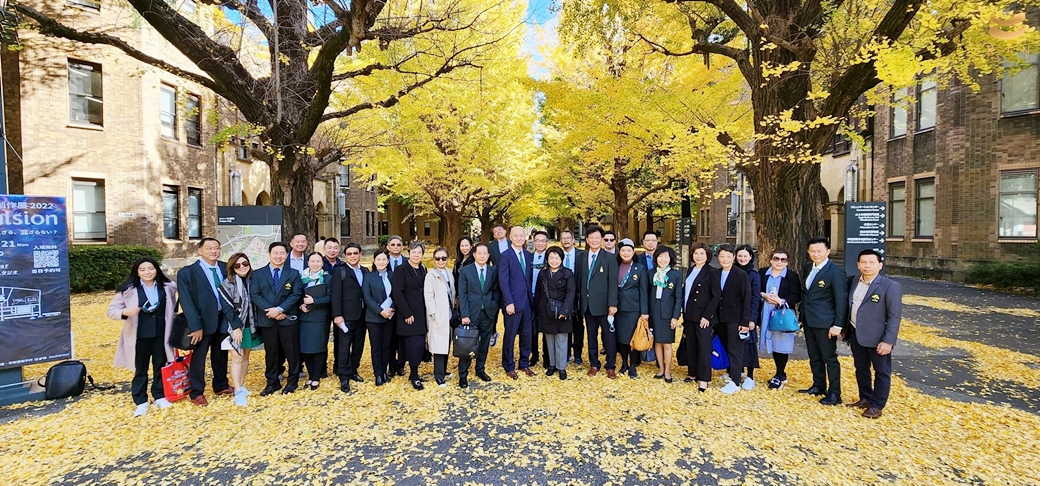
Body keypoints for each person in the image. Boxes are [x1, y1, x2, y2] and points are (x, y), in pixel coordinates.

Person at [108, 257, 178, 416]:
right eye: (143, 269)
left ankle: (159, 395)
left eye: (151, 268)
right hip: (139, 335)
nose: (147, 272)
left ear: (156, 270)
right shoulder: (128, 290)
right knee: (140, 368)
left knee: (161, 366)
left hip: (161, 334)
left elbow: (172, 308)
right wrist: (125, 312)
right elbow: (111, 311)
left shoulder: (168, 287)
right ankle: (141, 400)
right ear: (137, 272)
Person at [845, 249, 902, 419]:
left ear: (880, 265)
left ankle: (877, 405)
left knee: (881, 371)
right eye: (863, 262)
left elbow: (894, 316)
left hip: (878, 338)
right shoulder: (853, 281)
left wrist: (888, 341)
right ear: (858, 264)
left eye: (871, 262)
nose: (867, 266)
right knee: (861, 368)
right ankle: (865, 398)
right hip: (856, 333)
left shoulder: (890, 286)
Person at [176, 238, 231, 406]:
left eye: (216, 248)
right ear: (199, 251)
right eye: (209, 248)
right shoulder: (188, 272)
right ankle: (196, 392)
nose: (213, 251)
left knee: (220, 354)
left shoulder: (225, 268)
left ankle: (220, 385)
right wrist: (196, 326)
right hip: (202, 321)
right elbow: (186, 301)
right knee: (199, 357)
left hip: (223, 318)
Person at [798, 237, 849, 406]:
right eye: (812, 251)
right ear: (808, 252)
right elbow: (807, 294)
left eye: (819, 251)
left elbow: (841, 300)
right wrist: (802, 316)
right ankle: (819, 385)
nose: (816, 254)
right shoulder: (808, 267)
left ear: (828, 251)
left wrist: (838, 325)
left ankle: (835, 393)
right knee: (814, 356)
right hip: (809, 320)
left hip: (826, 323)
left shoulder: (836, 272)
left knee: (829, 358)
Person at [251, 242, 304, 396]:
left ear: (286, 255)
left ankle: (292, 382)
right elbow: (255, 295)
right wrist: (272, 311)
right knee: (271, 353)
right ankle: (272, 382)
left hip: (288, 318)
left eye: (282, 253)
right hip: (268, 319)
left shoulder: (293, 274)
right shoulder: (258, 274)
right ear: (269, 254)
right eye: (275, 253)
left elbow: (295, 294)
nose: (278, 256)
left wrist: (280, 309)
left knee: (292, 352)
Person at [218, 252, 263, 407]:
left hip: (250, 324)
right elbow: (227, 308)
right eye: (237, 265)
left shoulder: (253, 281)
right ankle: (237, 391)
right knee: (237, 357)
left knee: (245, 356)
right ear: (232, 267)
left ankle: (241, 385)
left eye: (245, 264)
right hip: (234, 326)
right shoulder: (227, 284)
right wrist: (236, 328)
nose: (242, 267)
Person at [576, 225, 619, 378]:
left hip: (605, 305)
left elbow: (613, 283)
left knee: (609, 337)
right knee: (591, 336)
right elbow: (578, 280)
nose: (594, 240)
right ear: (587, 240)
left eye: (597, 238)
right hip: (588, 305)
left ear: (601, 240)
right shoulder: (581, 257)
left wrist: (612, 304)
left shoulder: (609, 258)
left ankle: (610, 366)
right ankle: (594, 364)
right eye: (591, 238)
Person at [457, 243, 501, 386]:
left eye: (485, 253)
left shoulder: (492, 271)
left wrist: (494, 306)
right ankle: (463, 374)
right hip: (470, 313)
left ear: (488, 255)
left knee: (484, 343)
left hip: (487, 313)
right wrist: (464, 314)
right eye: (479, 253)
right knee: (467, 344)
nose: (482, 256)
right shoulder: (466, 271)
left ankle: (480, 369)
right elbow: (462, 294)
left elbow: (496, 291)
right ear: (474, 254)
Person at [758, 248, 802, 390]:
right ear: (771, 260)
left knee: (781, 344)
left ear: (787, 262)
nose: (779, 262)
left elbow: (796, 295)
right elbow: (755, 289)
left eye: (783, 259)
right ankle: (780, 374)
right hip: (765, 313)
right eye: (776, 258)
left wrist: (781, 301)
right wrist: (763, 295)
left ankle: (779, 374)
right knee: (771, 341)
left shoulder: (792, 276)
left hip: (782, 315)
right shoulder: (762, 273)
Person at [682, 242, 721, 391]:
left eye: (702, 253)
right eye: (696, 253)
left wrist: (707, 316)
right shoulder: (691, 270)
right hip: (689, 314)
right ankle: (693, 373)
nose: (698, 256)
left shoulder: (712, 272)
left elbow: (715, 296)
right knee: (691, 344)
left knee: (704, 347)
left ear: (707, 255)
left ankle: (704, 379)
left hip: (703, 316)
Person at [498, 225, 535, 379]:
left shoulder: (528, 255)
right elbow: (503, 281)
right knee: (511, 335)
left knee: (527, 334)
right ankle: (508, 365)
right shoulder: (505, 256)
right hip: (512, 302)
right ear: (510, 237)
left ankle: (524, 363)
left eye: (521, 236)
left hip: (527, 302)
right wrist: (508, 302)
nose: (519, 238)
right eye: (516, 236)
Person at [391, 241, 429, 390]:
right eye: (413, 252)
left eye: (419, 252)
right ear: (408, 253)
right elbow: (397, 292)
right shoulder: (401, 269)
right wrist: (407, 312)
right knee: (414, 345)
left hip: (421, 313)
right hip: (408, 314)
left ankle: (415, 372)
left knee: (419, 345)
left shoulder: (423, 269)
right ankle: (414, 374)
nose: (416, 255)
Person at [715, 244, 752, 395]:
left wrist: (745, 322)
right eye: (722, 256)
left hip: (736, 319)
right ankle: (731, 374)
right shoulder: (716, 273)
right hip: (720, 318)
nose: (725, 259)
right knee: (726, 346)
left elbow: (747, 298)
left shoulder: (740, 274)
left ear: (733, 258)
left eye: (728, 257)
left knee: (735, 350)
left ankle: (736, 382)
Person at [332, 242, 369, 392]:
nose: (353, 256)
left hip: (363, 315)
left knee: (359, 345)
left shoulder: (365, 271)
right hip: (346, 316)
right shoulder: (339, 271)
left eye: (355, 253)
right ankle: (344, 376)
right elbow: (335, 295)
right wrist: (337, 315)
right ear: (345, 256)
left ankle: (354, 370)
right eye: (349, 254)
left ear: (360, 254)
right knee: (344, 346)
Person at [534, 246, 575, 380]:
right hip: (546, 311)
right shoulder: (543, 273)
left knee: (561, 340)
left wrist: (565, 310)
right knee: (549, 340)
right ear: (547, 259)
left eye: (557, 258)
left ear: (561, 259)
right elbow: (538, 292)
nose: (554, 260)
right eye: (551, 258)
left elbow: (570, 293)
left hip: (562, 310)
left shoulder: (568, 273)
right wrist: (537, 311)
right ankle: (552, 365)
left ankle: (561, 367)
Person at [614, 238, 649, 379]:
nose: (626, 253)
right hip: (617, 308)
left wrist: (644, 311)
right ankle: (624, 363)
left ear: (633, 252)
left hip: (634, 309)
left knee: (633, 338)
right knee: (621, 338)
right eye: (623, 250)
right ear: (619, 252)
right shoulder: (614, 266)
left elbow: (644, 291)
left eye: (629, 250)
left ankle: (633, 365)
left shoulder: (639, 268)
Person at [298, 252, 332, 391]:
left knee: (318, 348)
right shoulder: (301, 278)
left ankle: (316, 377)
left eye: (318, 261)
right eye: (312, 261)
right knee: (306, 348)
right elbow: (296, 295)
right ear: (308, 262)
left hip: (320, 318)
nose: (315, 264)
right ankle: (310, 375)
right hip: (304, 317)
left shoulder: (327, 278)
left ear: (322, 263)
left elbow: (331, 297)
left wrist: (315, 301)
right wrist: (300, 304)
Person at [648, 246, 682, 382]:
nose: (663, 259)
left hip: (668, 313)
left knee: (667, 343)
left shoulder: (675, 274)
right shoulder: (651, 273)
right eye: (660, 256)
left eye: (666, 257)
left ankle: (668, 370)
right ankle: (661, 368)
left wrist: (675, 317)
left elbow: (678, 297)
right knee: (657, 342)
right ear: (656, 258)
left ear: (670, 259)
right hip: (654, 311)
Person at [424, 247, 457, 387]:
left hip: (449, 313)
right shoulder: (431, 276)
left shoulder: (449, 272)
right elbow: (428, 296)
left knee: (446, 343)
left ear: (447, 259)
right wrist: (433, 313)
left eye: (443, 258)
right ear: (434, 260)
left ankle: (443, 370)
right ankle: (438, 375)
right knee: (438, 345)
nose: (441, 261)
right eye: (438, 258)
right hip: (438, 315)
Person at [362, 249, 396, 386]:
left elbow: (397, 294)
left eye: (384, 259)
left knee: (386, 346)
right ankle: (378, 374)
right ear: (374, 261)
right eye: (378, 259)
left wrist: (391, 309)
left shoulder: (393, 275)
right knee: (376, 347)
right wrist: (380, 311)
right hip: (374, 318)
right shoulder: (369, 277)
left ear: (388, 261)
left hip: (390, 316)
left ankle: (384, 372)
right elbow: (367, 297)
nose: (381, 262)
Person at [734, 245, 762, 389]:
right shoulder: (732, 271)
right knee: (734, 344)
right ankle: (737, 372)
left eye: (745, 256)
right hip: (734, 314)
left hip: (748, 314)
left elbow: (755, 298)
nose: (742, 258)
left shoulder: (754, 275)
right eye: (740, 256)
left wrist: (752, 318)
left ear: (750, 257)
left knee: (749, 344)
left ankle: (750, 376)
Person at [560, 230, 583, 365]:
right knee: (565, 325)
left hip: (578, 295)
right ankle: (566, 352)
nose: (566, 240)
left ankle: (578, 354)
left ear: (573, 240)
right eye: (563, 238)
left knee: (578, 326)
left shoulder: (581, 255)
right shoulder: (558, 255)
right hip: (563, 296)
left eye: (569, 238)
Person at [385, 235, 407, 376]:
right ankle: (391, 366)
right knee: (390, 338)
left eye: (398, 244)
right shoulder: (382, 260)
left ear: (402, 247)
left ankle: (401, 365)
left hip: (404, 306)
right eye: (393, 244)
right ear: (388, 247)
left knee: (402, 339)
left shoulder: (408, 262)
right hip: (387, 307)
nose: (395, 247)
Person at [321, 237, 342, 378]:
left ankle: (339, 366)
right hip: (322, 306)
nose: (332, 250)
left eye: (335, 248)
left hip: (339, 307)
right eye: (329, 248)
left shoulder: (343, 265)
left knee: (340, 338)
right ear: (324, 249)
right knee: (322, 338)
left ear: (339, 249)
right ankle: (321, 368)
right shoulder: (318, 263)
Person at [529, 230, 549, 368]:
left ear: (547, 242)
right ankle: (534, 355)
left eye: (543, 241)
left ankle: (547, 357)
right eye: (538, 240)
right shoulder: (528, 257)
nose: (540, 243)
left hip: (546, 298)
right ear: (534, 242)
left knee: (547, 327)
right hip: (531, 297)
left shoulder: (551, 258)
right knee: (532, 328)